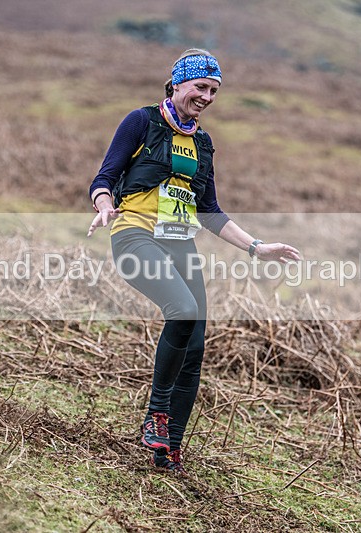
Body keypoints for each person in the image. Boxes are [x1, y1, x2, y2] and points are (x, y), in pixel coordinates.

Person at [87, 49, 301, 476]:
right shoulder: (142, 121)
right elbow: (104, 177)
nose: (206, 96)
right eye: (200, 87)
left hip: (180, 244)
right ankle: (156, 415)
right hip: (134, 236)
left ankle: (169, 452)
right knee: (182, 311)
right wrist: (105, 204)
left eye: (214, 91)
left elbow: (210, 210)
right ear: (177, 84)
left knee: (195, 347)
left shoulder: (202, 143)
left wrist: (257, 248)